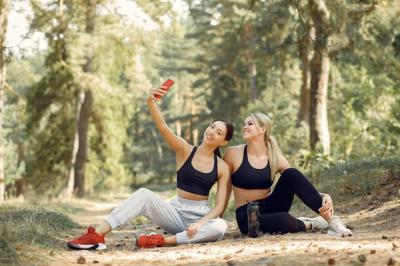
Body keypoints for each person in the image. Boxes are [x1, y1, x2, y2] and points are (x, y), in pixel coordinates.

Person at [67, 83, 234, 250]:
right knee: (143, 195)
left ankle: (160, 241)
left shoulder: (222, 167)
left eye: (219, 132)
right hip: (175, 215)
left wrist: (201, 223)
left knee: (219, 227)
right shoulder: (184, 150)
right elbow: (163, 127)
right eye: (212, 127)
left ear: (224, 141)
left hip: (201, 219)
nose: (212, 132)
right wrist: (150, 101)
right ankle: (97, 234)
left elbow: (219, 206)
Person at [223, 112, 352, 236]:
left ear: (263, 129)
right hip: (247, 214)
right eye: (244, 124)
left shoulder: (274, 156)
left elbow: (297, 183)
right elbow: (224, 191)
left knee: (291, 173)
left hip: (272, 205)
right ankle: (313, 223)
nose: (244, 127)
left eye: (250, 124)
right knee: (283, 219)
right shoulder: (233, 154)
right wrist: (219, 221)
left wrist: (323, 196)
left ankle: (332, 221)